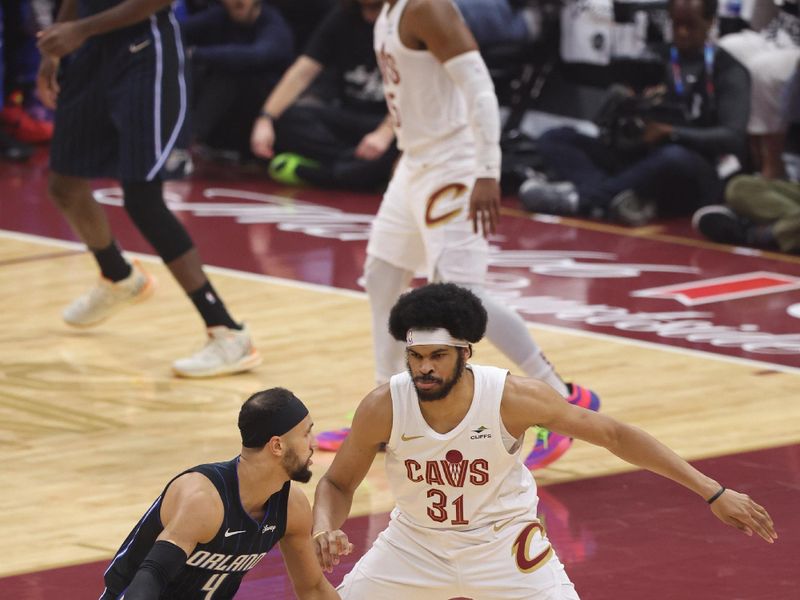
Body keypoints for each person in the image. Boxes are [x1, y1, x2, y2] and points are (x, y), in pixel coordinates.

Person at [311, 283, 778, 599]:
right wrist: (325, 526)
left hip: (505, 548)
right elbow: (337, 484)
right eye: (415, 357)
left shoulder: (512, 398)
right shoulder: (384, 405)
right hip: (414, 545)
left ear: (465, 353)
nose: (425, 368)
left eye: (437, 356)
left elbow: (615, 435)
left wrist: (712, 491)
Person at [315, 0, 600, 472]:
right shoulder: (384, 13)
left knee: (463, 301)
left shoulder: (427, 8)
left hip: (455, 164)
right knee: (383, 277)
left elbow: (481, 89)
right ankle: (386, 413)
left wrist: (488, 170)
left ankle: (562, 401)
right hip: (417, 163)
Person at [36, 0, 260, 378]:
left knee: (142, 196)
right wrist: (53, 50)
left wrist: (80, 30)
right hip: (92, 52)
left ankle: (228, 332)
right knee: (64, 183)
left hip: (144, 52)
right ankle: (118, 276)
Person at [519, 0, 750, 226]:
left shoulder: (728, 70)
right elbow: (615, 114)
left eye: (690, 25)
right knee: (555, 139)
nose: (682, 32)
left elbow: (732, 137)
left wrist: (671, 132)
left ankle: (582, 199)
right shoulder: (655, 59)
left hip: (692, 165)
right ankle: (618, 198)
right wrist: (623, 102)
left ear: (710, 22)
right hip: (639, 155)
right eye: (676, 24)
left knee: (673, 157)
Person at [99, 387, 343, 599]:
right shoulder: (204, 499)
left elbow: (313, 590)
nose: (314, 444)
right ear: (277, 445)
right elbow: (152, 575)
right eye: (306, 433)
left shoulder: (292, 507)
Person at [250, 0, 398, 191]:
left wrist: (384, 133)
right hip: (349, 117)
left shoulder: (404, 21)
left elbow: (415, 91)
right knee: (288, 118)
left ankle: (322, 173)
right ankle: (357, 170)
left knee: (404, 144)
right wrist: (266, 118)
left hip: (392, 121)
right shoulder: (343, 16)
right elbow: (303, 70)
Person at [181, 0, 294, 159]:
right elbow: (177, 33)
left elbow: (256, 55)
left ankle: (187, 141)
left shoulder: (273, 24)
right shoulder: (218, 16)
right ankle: (175, 135)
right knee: (188, 68)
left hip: (264, 114)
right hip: (223, 112)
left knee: (231, 73)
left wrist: (195, 53)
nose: (238, 1)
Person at [718, 0, 799, 179]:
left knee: (763, 69)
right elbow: (758, 22)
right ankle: (740, 158)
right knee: (727, 49)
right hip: (775, 34)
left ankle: (771, 166)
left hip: (796, 45)